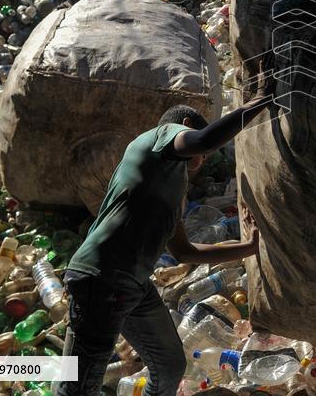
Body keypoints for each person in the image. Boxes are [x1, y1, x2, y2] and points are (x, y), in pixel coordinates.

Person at [56, 86, 272, 396]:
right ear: (185, 125)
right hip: (101, 277)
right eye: (201, 153)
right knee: (79, 386)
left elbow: (183, 251)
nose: (203, 158)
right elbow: (205, 139)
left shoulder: (171, 185)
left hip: (132, 284)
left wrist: (248, 247)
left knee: (169, 365)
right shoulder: (160, 137)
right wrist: (261, 99)